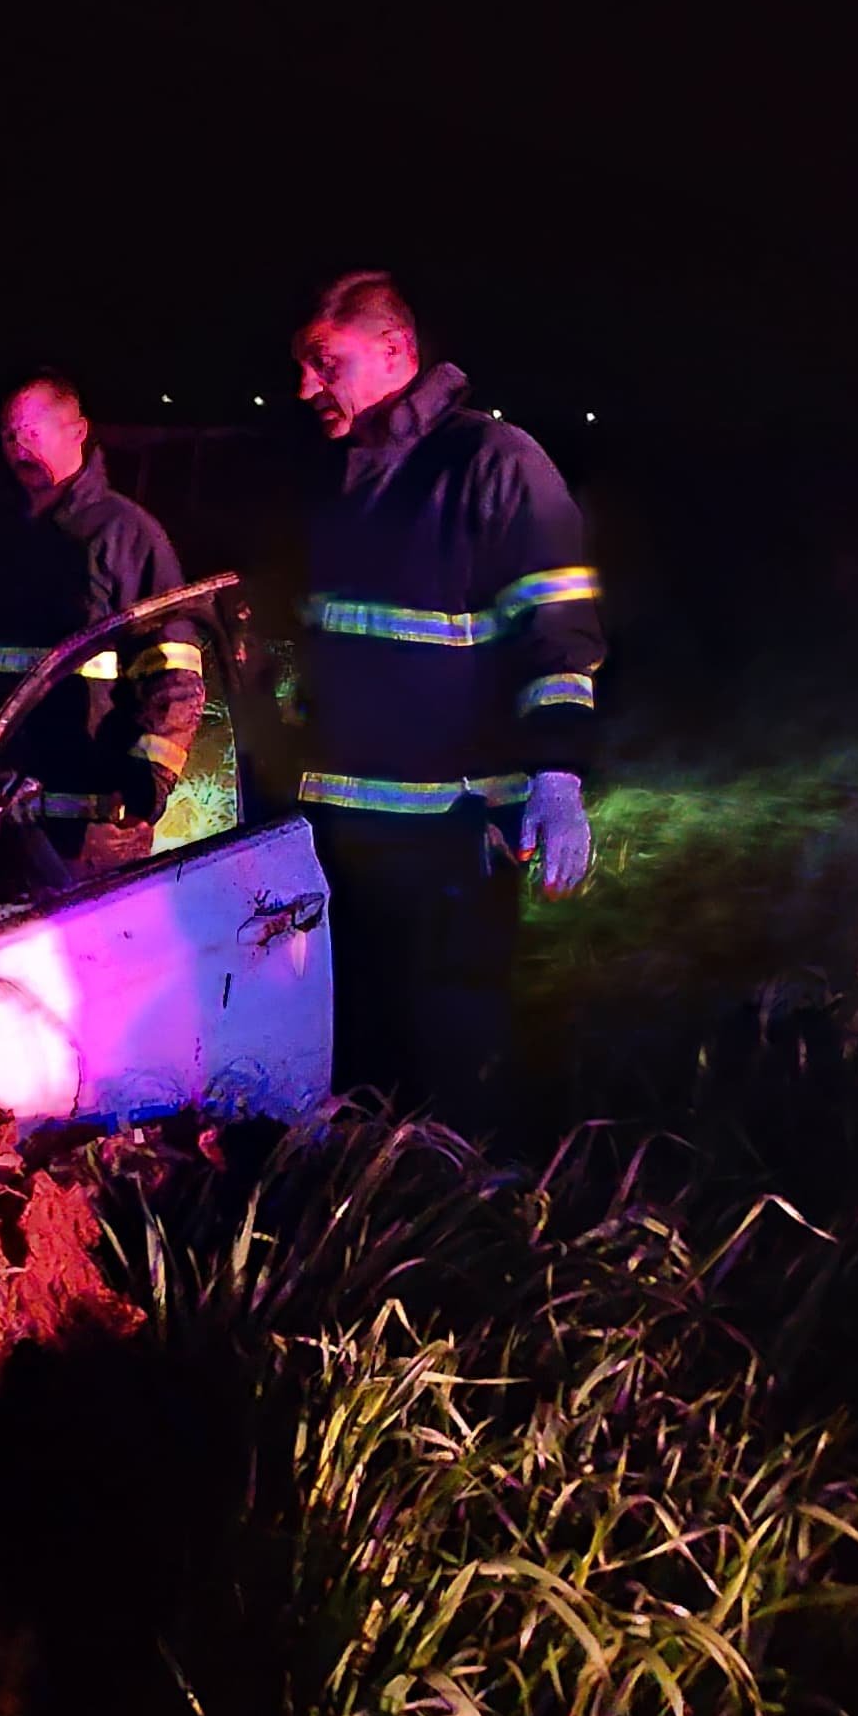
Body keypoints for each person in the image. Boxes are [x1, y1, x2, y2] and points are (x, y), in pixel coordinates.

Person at [286, 271, 603, 1131]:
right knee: (354, 1055)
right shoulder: (334, 476)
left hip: (453, 839)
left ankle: (465, 1229)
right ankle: (362, 1232)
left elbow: (558, 640)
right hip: (334, 839)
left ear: (395, 351)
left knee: (451, 1063)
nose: (306, 387)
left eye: (325, 362)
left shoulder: (496, 464)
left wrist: (557, 781)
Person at [0, 375, 200, 900]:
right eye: (7, 436)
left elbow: (173, 675)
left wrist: (147, 790)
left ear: (78, 432)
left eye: (30, 433)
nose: (17, 447)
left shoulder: (128, 535)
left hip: (89, 837)